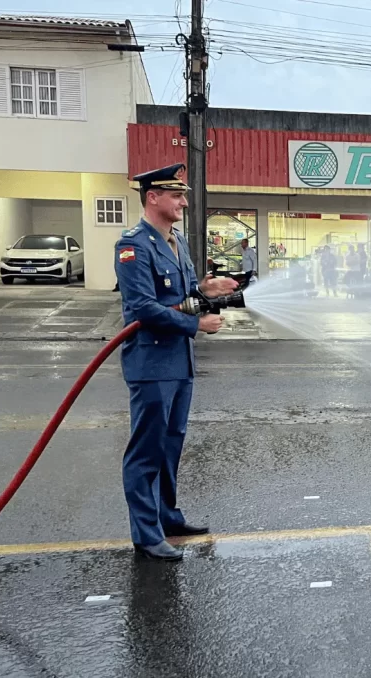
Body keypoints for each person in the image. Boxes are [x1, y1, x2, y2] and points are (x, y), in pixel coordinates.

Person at [114, 163, 238, 562]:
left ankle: (167, 517)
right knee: (146, 451)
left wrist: (205, 288)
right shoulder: (133, 245)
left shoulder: (176, 241)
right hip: (151, 362)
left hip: (179, 363)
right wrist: (195, 323)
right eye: (176, 195)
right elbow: (141, 307)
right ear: (153, 198)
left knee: (170, 447)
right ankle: (146, 534)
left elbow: (181, 291)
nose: (184, 202)